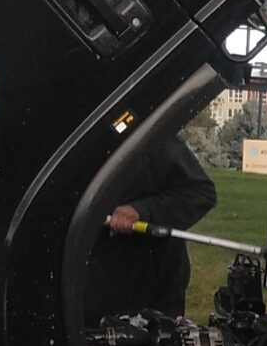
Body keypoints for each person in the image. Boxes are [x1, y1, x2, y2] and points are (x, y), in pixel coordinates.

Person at [86, 132, 219, 319]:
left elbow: (201, 193)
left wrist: (141, 211)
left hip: (151, 289)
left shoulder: (156, 140)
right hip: (89, 283)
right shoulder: (78, 139)